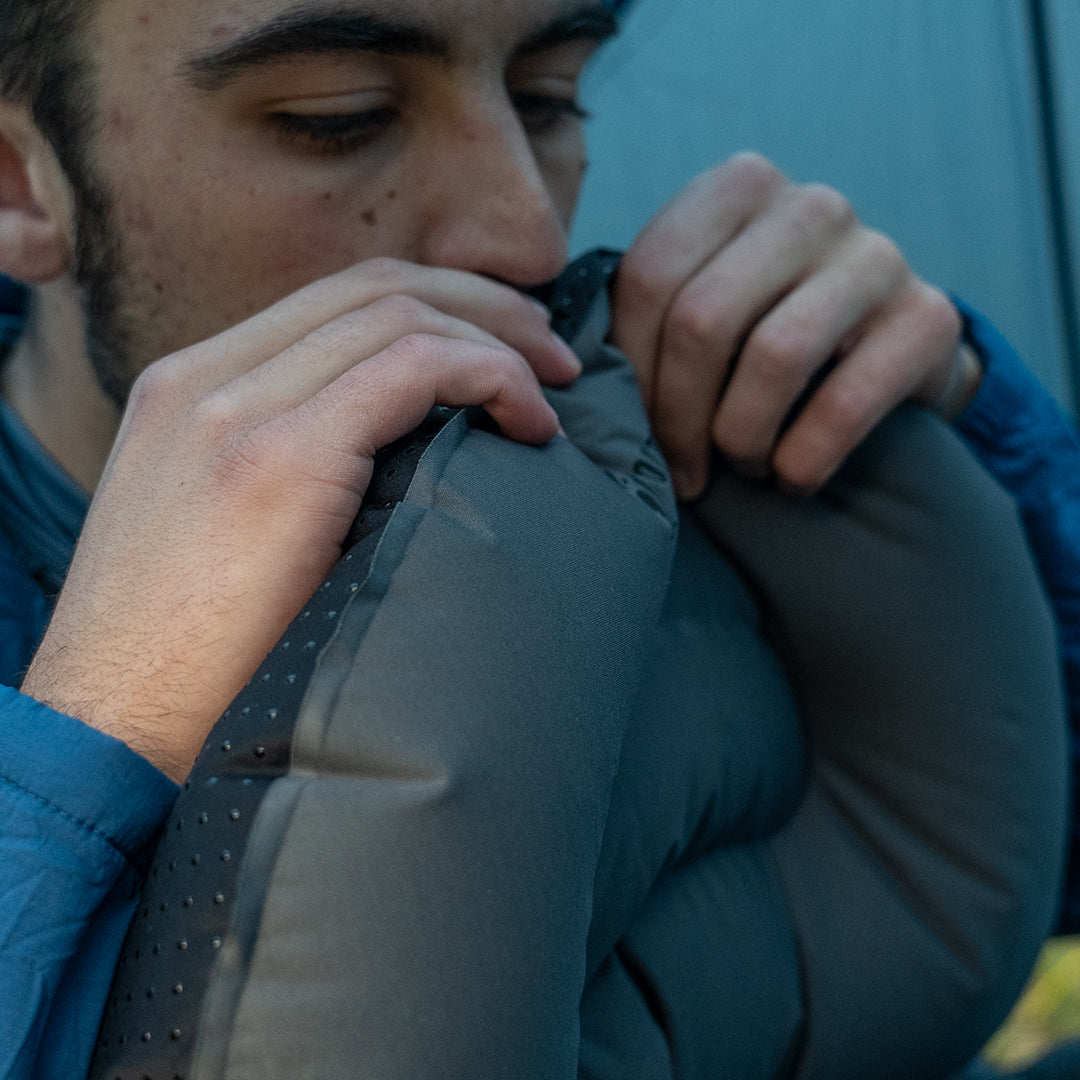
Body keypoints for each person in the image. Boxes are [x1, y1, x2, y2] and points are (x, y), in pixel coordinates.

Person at [0, 0, 1063, 1077]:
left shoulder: (678, 459)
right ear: (17, 176)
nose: (527, 234)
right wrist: (95, 728)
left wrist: (963, 441)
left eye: (551, 94)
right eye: (341, 117)